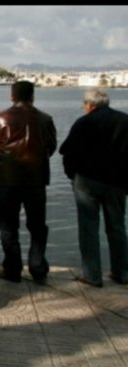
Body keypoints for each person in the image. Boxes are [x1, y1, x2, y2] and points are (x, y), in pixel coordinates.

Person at [0, 80, 57, 283]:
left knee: (8, 228)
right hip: (36, 181)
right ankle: (38, 268)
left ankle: (13, 269)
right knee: (38, 226)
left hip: (6, 181)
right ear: (33, 96)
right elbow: (51, 146)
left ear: (11, 96)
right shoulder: (45, 119)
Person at [59, 87, 128, 288]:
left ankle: (92, 275)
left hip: (87, 181)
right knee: (117, 227)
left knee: (88, 228)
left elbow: (66, 151)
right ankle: (122, 272)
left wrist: (72, 175)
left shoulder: (84, 123)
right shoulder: (125, 121)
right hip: (117, 183)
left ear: (89, 105)